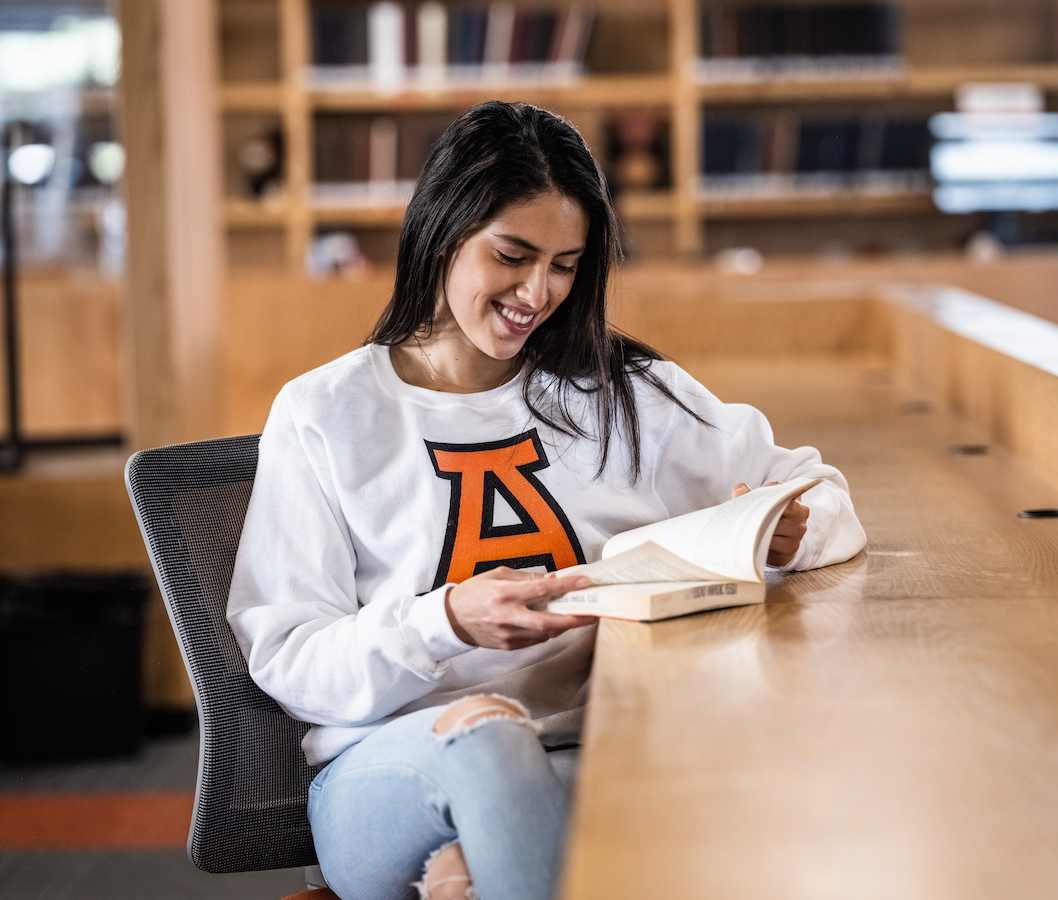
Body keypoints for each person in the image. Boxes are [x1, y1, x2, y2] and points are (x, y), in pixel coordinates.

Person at [226, 100, 867, 900]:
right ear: (441, 232)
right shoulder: (323, 413)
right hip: (389, 774)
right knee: (493, 744)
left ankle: (479, 872)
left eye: (565, 264)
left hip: (594, 755)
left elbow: (822, 492)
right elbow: (290, 659)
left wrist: (788, 531)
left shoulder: (628, 394)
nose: (538, 292)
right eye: (512, 255)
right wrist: (447, 619)